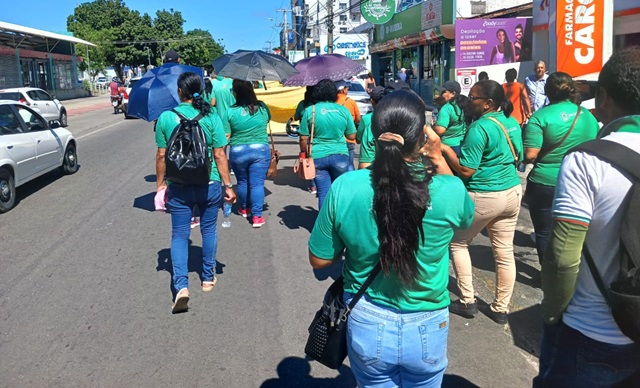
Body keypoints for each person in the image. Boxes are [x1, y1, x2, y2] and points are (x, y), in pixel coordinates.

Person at [308, 90, 474, 387]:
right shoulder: (449, 189)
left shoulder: (346, 187)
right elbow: (465, 219)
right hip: (428, 324)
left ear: (372, 136)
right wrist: (437, 156)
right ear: (423, 135)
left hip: (368, 319)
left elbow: (320, 259)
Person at [533, 47, 640, 387]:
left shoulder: (587, 161)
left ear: (604, 95)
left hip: (591, 331)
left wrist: (551, 311)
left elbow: (563, 258)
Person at [440, 80, 524, 324]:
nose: (469, 101)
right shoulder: (512, 122)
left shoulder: (479, 128)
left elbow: (466, 170)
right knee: (504, 252)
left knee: (458, 242)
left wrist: (445, 151)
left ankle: (467, 300)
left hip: (485, 194)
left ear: (488, 103)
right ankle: (501, 308)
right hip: (512, 191)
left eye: (473, 98)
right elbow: (518, 154)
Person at [154, 72, 235, 313]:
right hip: (208, 185)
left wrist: (161, 184)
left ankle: (181, 287)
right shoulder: (211, 117)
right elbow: (220, 154)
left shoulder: (166, 118)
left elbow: (161, 155)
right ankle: (208, 278)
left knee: (179, 235)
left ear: (180, 91)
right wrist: (227, 185)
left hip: (178, 186)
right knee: (208, 229)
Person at [523, 72, 598, 264]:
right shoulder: (587, 116)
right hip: (583, 181)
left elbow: (530, 154)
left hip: (546, 182)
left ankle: (549, 278)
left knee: (545, 232)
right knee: (577, 232)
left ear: (547, 91)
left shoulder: (540, 117)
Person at [298, 79, 356, 210]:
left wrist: (304, 153)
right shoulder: (343, 110)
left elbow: (303, 139)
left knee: (324, 193)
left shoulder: (310, 111)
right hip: (340, 155)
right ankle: (340, 222)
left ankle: (325, 226)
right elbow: (351, 135)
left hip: (318, 156)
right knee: (340, 192)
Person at [221, 80, 272, 228]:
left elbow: (226, 135)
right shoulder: (262, 107)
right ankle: (257, 217)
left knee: (242, 182)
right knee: (257, 184)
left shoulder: (230, 111)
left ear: (236, 93)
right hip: (260, 150)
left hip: (238, 151)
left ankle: (244, 208)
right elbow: (267, 120)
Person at [434, 80, 470, 156]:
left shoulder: (447, 108)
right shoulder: (464, 105)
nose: (441, 94)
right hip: (464, 145)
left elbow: (440, 130)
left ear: (453, 94)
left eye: (444, 92)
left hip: (448, 147)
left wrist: (432, 127)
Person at [294, 86, 317, 195]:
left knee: (308, 159)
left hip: (306, 136)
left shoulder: (302, 104)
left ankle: (313, 185)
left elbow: (296, 116)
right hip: (317, 136)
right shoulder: (318, 105)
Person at [356, 85, 385, 169]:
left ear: (372, 101)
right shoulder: (392, 119)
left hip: (367, 161)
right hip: (386, 162)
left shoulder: (366, 119)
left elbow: (358, 139)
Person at [335, 80, 361, 170]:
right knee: (349, 163)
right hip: (349, 138)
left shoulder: (331, 102)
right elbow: (358, 119)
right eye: (347, 88)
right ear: (343, 90)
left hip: (336, 138)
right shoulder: (351, 102)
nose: (348, 90)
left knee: (336, 164)